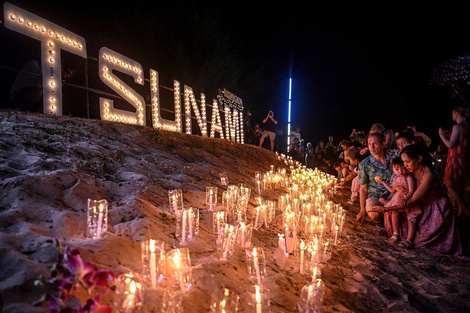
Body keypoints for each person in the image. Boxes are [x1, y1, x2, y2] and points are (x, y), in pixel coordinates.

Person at [370, 145, 464, 257]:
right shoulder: (412, 170)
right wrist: (398, 188)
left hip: (435, 207)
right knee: (397, 210)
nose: (405, 165)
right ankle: (394, 233)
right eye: (403, 162)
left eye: (408, 161)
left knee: (418, 232)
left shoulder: (428, 174)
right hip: (419, 203)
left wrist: (385, 209)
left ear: (419, 159)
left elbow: (414, 200)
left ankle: (408, 239)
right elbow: (403, 185)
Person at [374, 157, 421, 245]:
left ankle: (409, 240)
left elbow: (411, 191)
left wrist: (405, 199)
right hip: (397, 199)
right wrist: (383, 182)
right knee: (395, 212)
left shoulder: (409, 177)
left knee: (411, 217)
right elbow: (392, 190)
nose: (400, 171)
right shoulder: (396, 179)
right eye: (397, 169)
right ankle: (395, 233)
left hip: (408, 199)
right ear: (393, 170)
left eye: (403, 168)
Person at [438, 104, 470, 218]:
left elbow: (451, 145)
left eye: (453, 113)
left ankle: (467, 210)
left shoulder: (457, 127)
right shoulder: (467, 126)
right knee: (459, 188)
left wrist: (441, 135)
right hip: (464, 159)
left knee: (451, 186)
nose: (452, 115)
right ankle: (462, 214)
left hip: (456, 159)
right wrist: (449, 135)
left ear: (457, 113)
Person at [356, 132, 393, 224]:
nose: (371, 147)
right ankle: (383, 216)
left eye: (375, 144)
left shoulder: (393, 159)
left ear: (383, 144)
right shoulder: (365, 164)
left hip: (393, 194)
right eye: (369, 144)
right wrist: (362, 210)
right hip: (375, 196)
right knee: (373, 214)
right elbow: (363, 189)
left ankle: (387, 215)